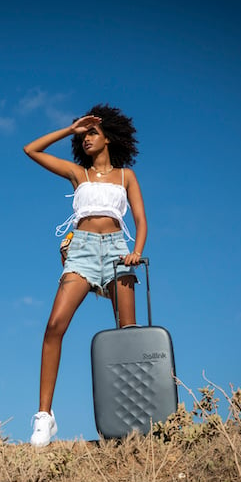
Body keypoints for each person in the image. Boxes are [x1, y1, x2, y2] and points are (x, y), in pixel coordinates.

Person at [22, 104, 147, 447]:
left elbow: (140, 219)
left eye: (93, 132)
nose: (88, 138)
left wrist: (136, 251)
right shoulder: (79, 174)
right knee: (54, 325)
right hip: (82, 250)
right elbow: (31, 149)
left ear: (109, 137)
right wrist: (71, 128)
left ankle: (132, 419)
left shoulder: (126, 176)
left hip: (118, 250)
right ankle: (44, 418)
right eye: (85, 134)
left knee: (128, 335)